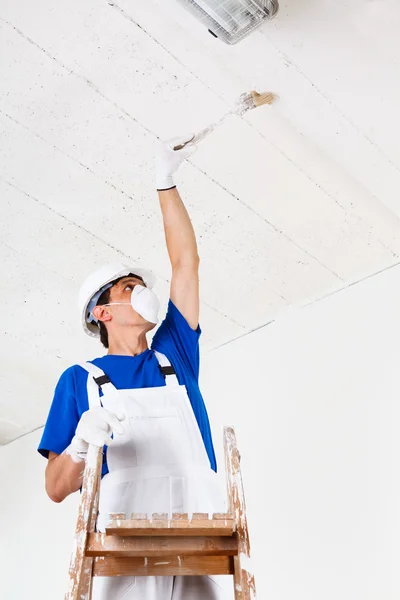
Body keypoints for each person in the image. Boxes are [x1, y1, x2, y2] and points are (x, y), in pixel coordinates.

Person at [38, 135, 231, 599]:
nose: (142, 291)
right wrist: (81, 444)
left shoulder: (173, 355)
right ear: (100, 313)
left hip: (197, 541)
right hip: (123, 557)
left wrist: (165, 182)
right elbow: (55, 488)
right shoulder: (79, 380)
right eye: (128, 287)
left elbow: (186, 264)